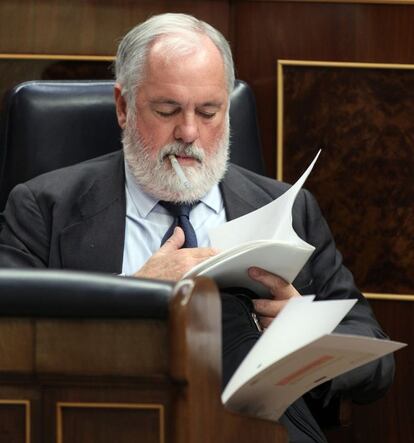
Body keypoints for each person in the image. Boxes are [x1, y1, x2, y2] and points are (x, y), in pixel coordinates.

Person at [0, 13, 394, 442]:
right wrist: (131, 298)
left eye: (209, 112)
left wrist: (305, 335)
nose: (188, 132)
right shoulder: (42, 207)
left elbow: (375, 361)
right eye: (167, 110)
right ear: (123, 107)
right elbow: (9, 346)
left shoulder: (289, 209)